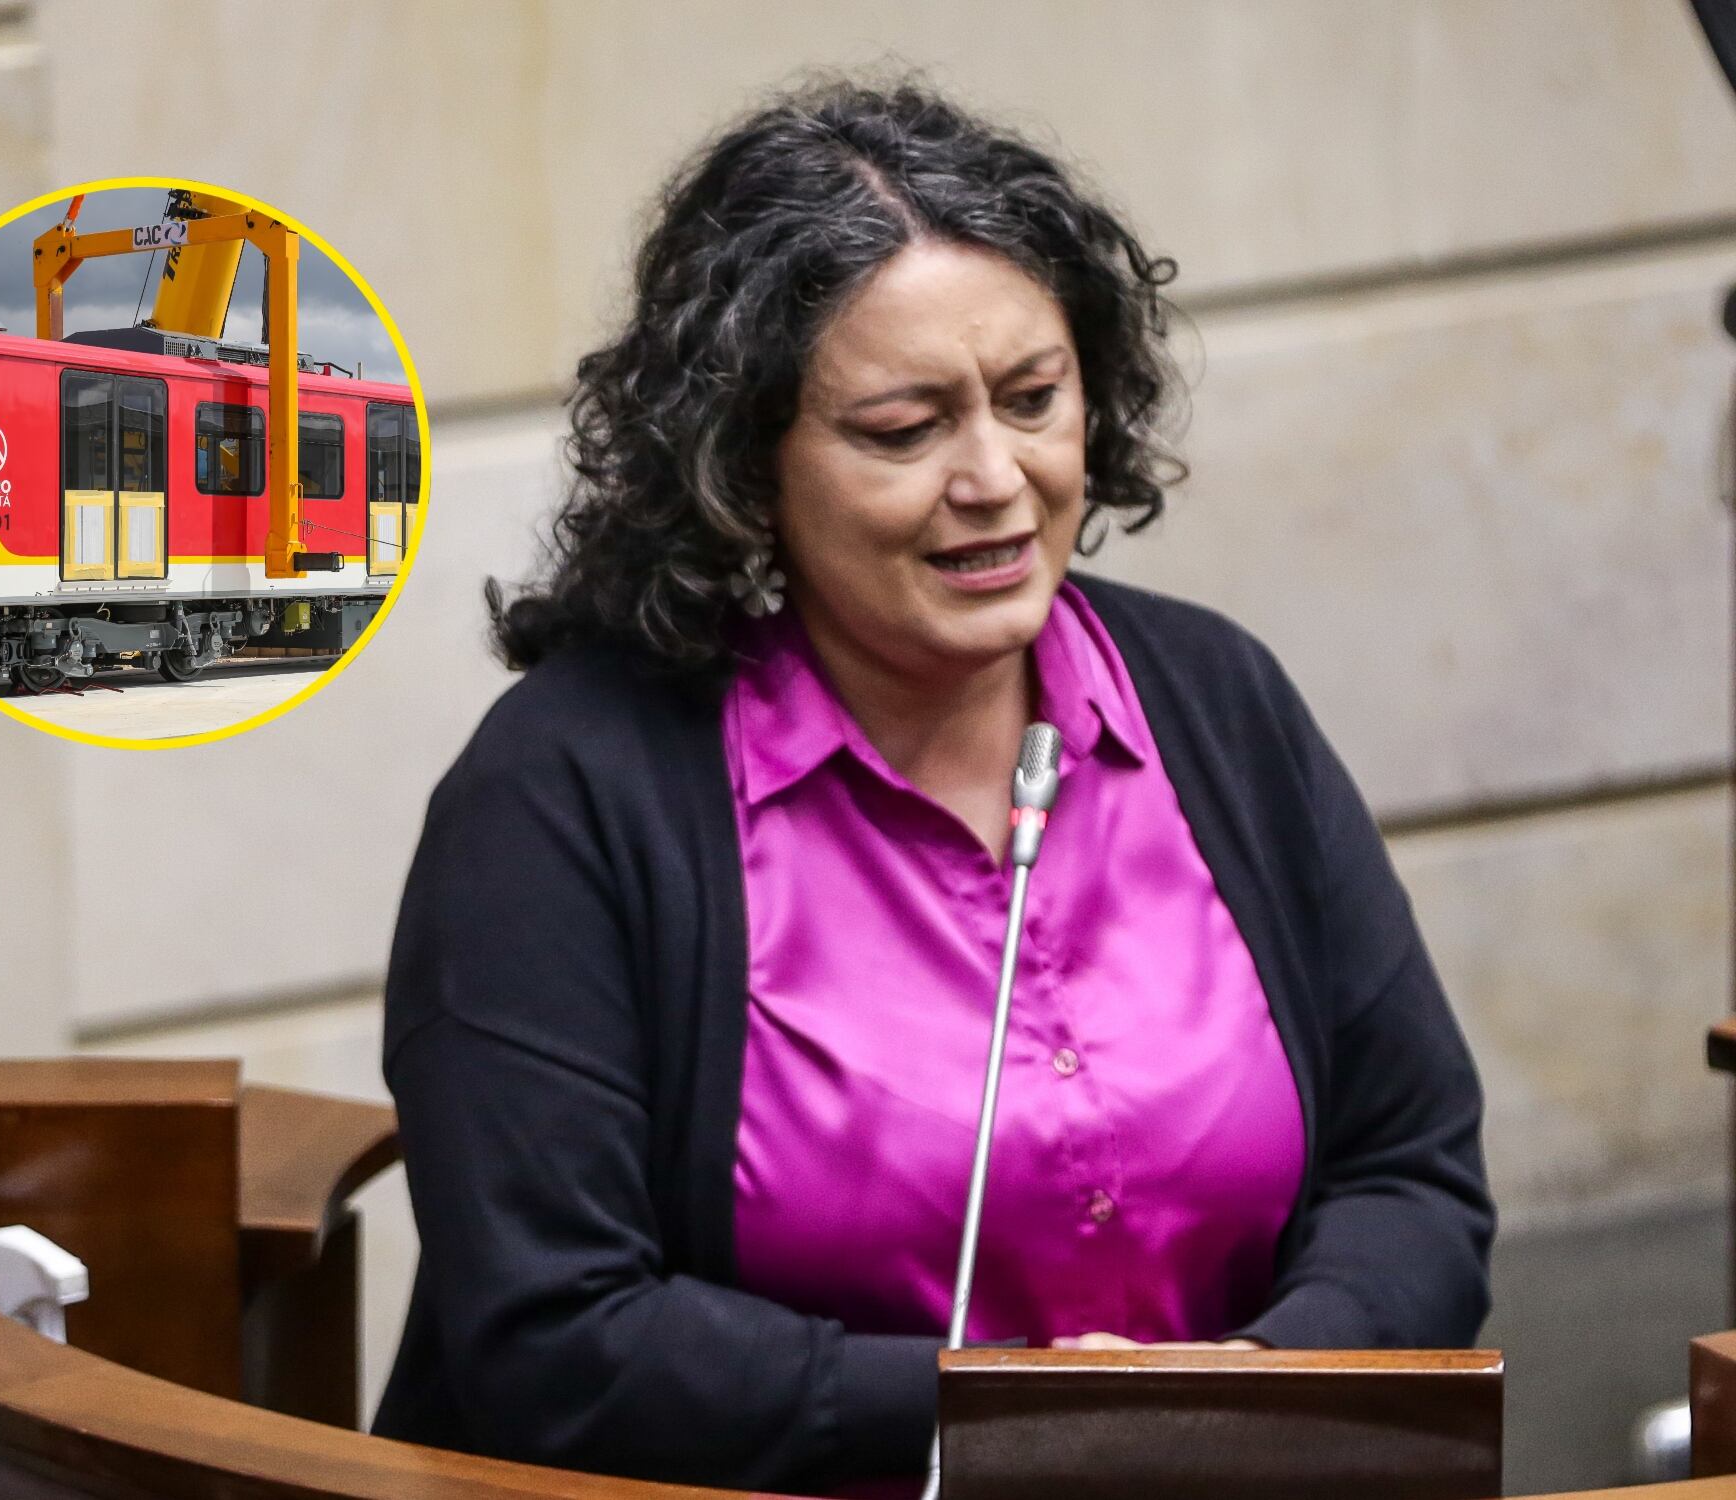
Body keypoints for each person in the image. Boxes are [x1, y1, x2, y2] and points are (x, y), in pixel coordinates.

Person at [372, 79, 1493, 1494]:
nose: (996, 479)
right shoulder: (562, 796)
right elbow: (557, 1340)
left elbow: (1412, 1176)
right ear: (744, 465)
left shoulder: (1217, 699)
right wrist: (1016, 1421)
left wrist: (1251, 1395)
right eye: (905, 429)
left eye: (1034, 400)